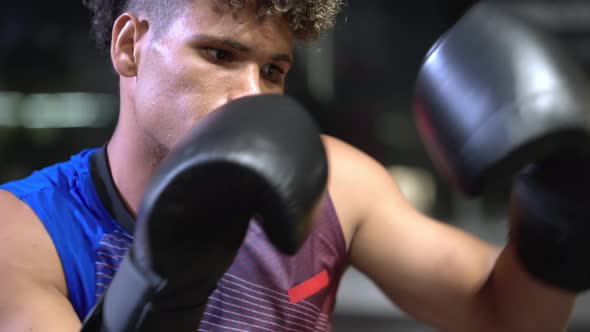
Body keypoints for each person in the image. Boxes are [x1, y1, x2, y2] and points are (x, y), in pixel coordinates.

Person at [0, 0, 581, 331]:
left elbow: (505, 314)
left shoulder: (333, 182)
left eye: (273, 71)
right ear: (129, 46)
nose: (253, 95)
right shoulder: (24, 231)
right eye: (220, 55)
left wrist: (559, 203)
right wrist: (164, 283)